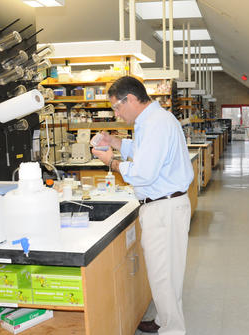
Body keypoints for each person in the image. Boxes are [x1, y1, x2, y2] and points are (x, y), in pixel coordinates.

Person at [92, 76, 194, 335]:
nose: (116, 112)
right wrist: (115, 142)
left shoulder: (156, 124)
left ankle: (173, 330)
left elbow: (145, 172)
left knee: (164, 275)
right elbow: (144, 150)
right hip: (166, 205)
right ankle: (164, 319)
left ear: (132, 99)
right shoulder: (152, 121)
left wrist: (110, 162)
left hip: (164, 208)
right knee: (168, 273)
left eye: (117, 106)